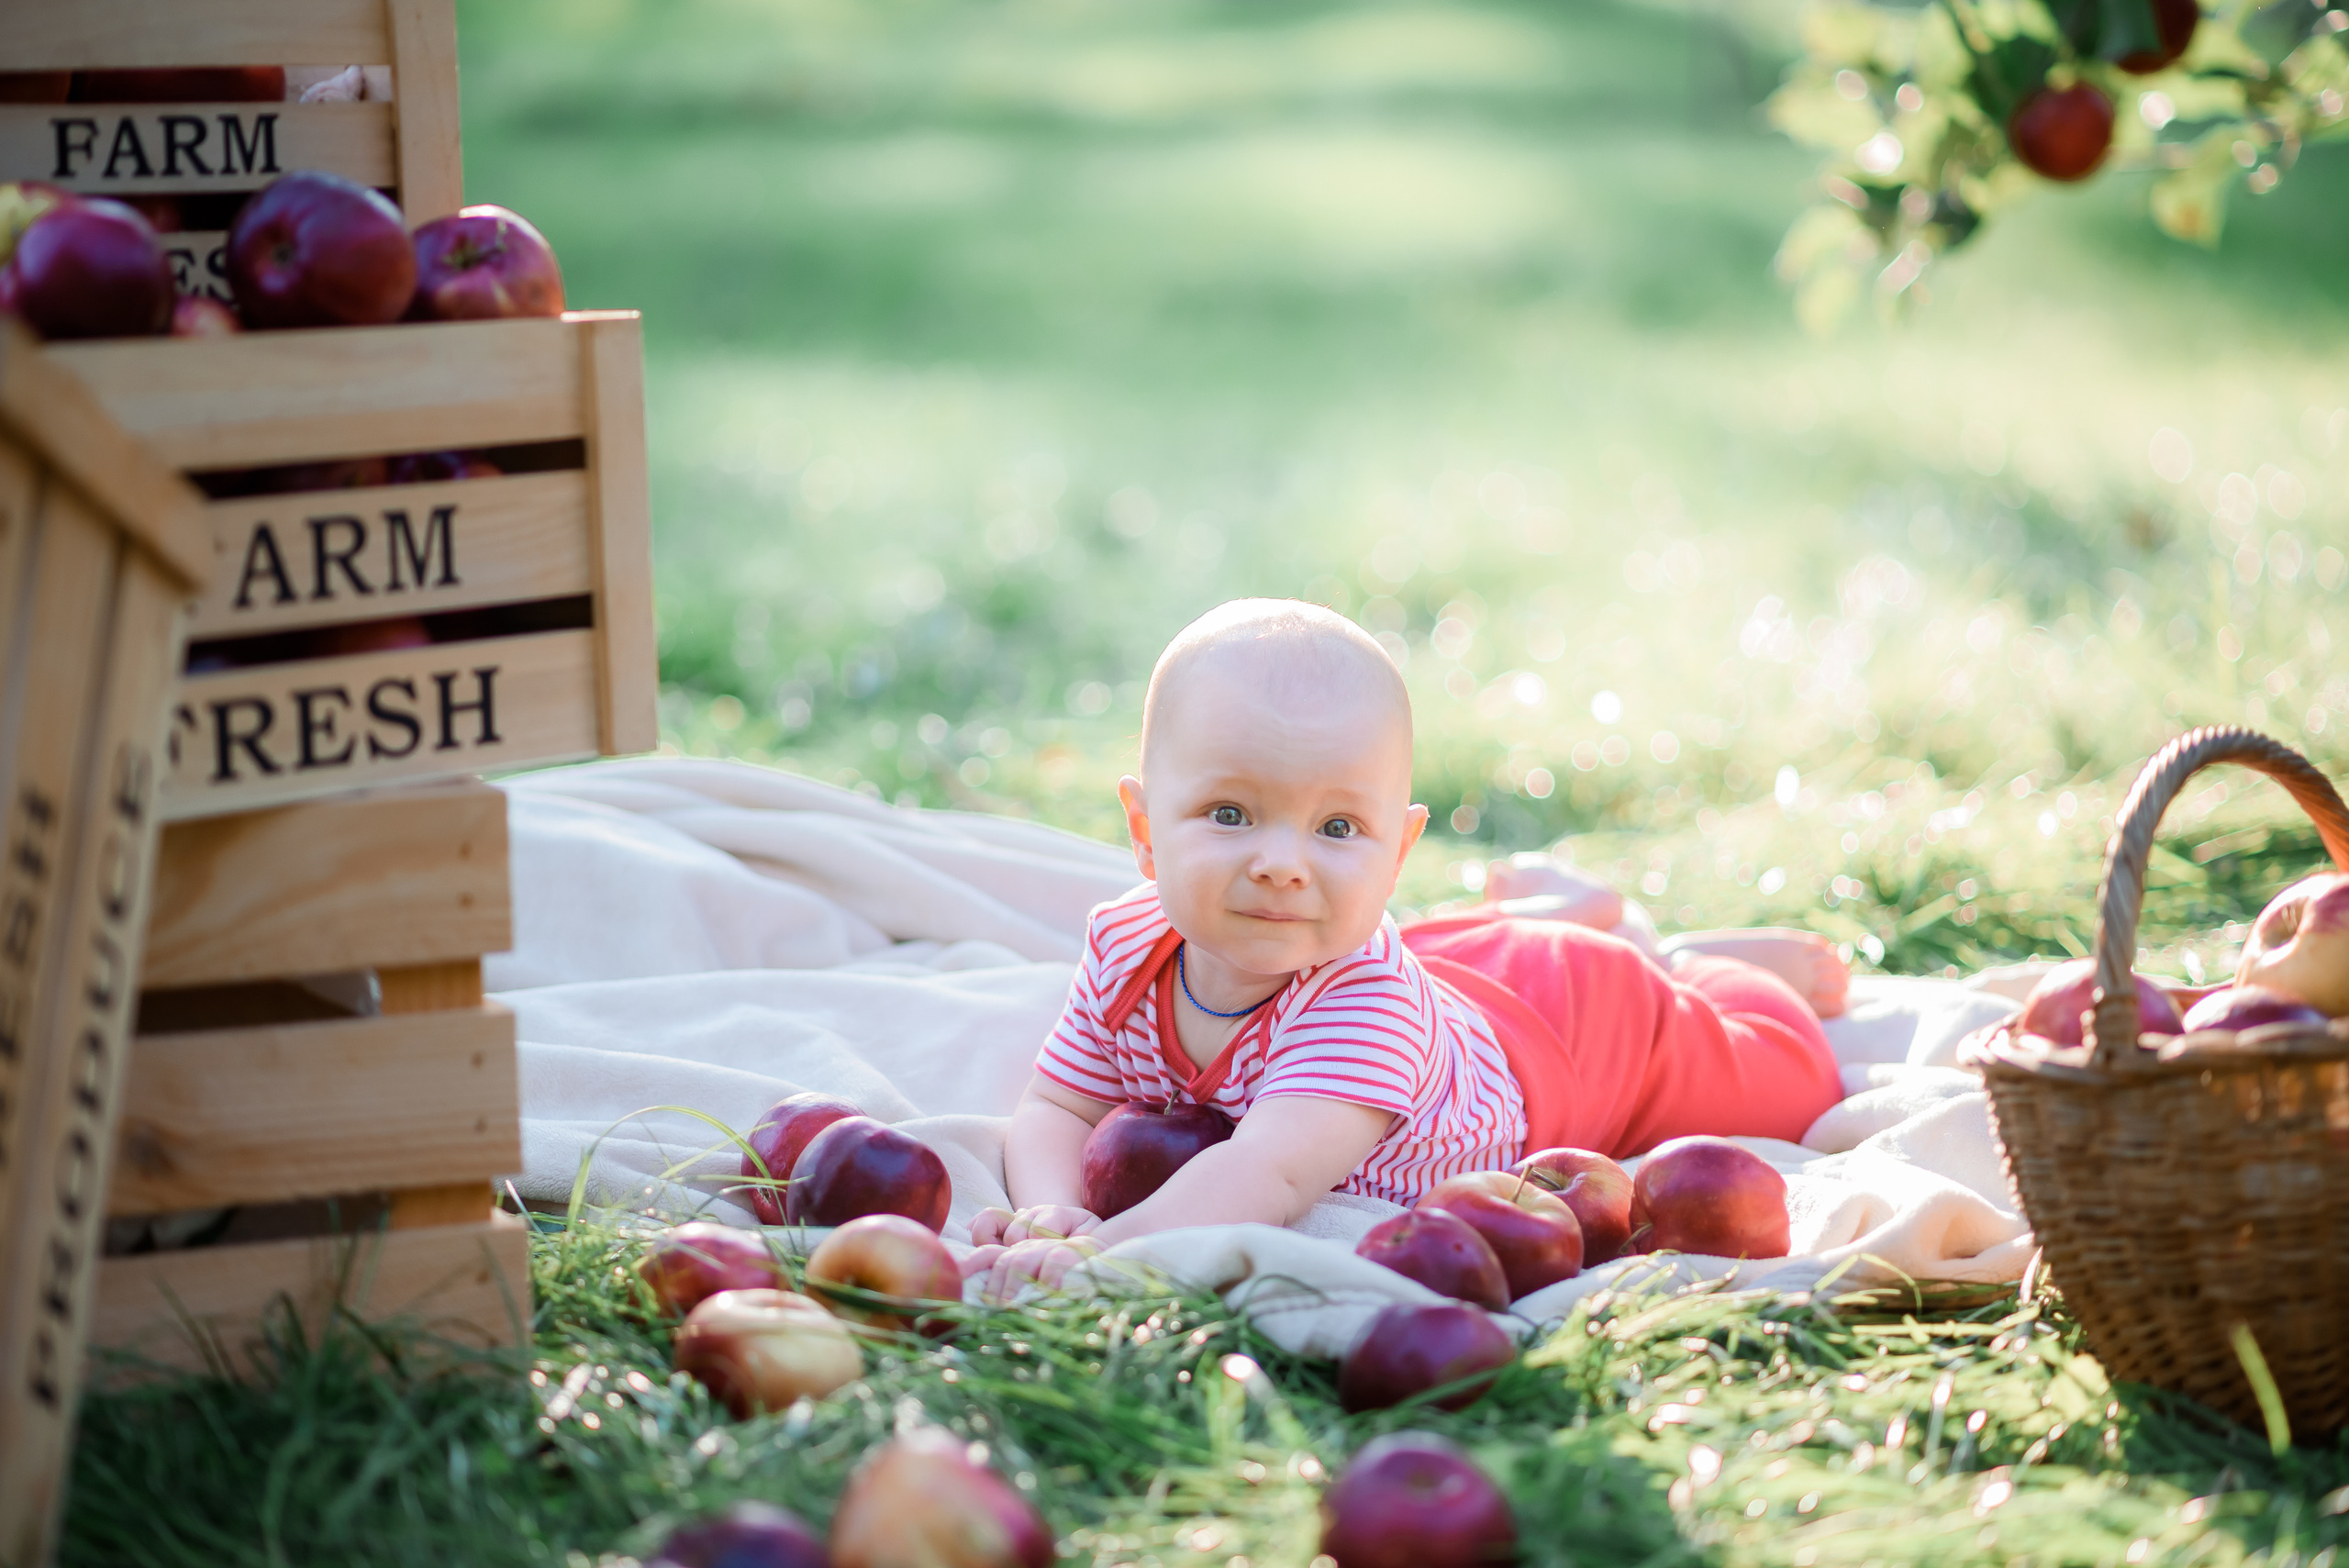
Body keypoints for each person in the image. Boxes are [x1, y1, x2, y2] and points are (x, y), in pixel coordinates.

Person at [965, 599, 1844, 1296]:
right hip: (1450, 970)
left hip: (1578, 1032)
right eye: (1230, 813)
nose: (1281, 863)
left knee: (1791, 1073)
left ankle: (1681, 958)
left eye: (1337, 827)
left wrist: (1105, 1256)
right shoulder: (1128, 943)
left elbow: (1264, 1172)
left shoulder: (1366, 1005)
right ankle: (1565, 913)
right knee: (1448, 952)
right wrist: (1051, 1214)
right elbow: (1059, 1103)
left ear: (1397, 853)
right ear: (1144, 828)